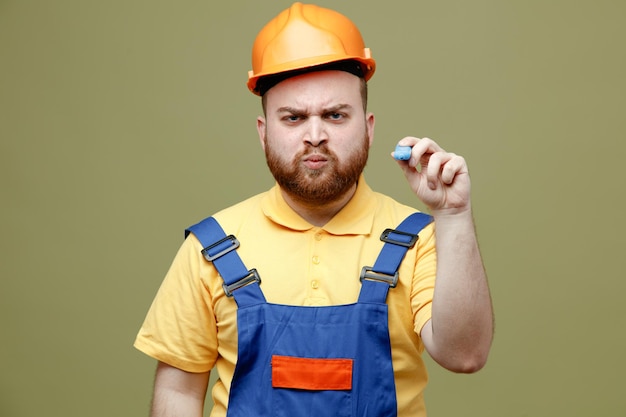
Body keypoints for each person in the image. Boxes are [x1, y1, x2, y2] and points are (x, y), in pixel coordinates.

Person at [134, 2, 494, 416]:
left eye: (335, 115)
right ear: (264, 132)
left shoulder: (419, 240)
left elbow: (465, 355)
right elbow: (178, 393)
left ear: (369, 127)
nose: (316, 135)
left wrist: (453, 216)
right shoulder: (210, 248)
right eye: (294, 118)